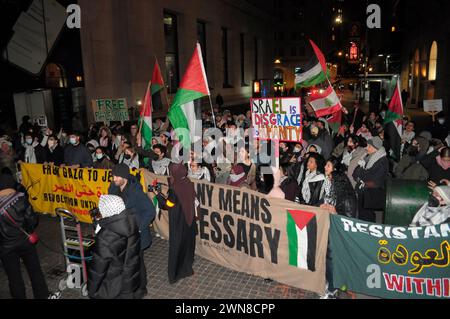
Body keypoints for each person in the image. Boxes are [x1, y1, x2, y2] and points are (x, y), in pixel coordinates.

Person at [0, 173, 60, 299]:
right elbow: (32, 220)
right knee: (35, 271)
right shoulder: (20, 199)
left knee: (14, 277)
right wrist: (28, 228)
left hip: (5, 247)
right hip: (25, 241)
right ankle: (42, 296)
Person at [87, 195, 146, 299]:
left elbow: (98, 268)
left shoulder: (105, 236)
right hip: (131, 282)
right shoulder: (132, 223)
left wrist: (92, 291)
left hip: (113, 287)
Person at [153, 163, 197, 284]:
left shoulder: (175, 188)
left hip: (179, 222)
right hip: (189, 222)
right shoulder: (187, 182)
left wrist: (158, 195)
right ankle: (187, 269)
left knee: (177, 247)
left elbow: (169, 205)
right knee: (187, 247)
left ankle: (175, 274)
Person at [108, 164, 155, 251]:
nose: (114, 179)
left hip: (135, 237)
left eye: (117, 176)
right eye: (113, 176)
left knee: (136, 262)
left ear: (124, 177)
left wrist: (138, 229)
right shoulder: (113, 188)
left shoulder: (136, 191)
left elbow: (150, 211)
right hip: (121, 234)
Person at [353, 137, 389, 222]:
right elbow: (356, 172)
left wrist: (363, 181)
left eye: (369, 146)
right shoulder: (366, 157)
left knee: (367, 216)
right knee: (362, 214)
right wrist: (359, 177)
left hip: (371, 193)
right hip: (363, 191)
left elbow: (377, 180)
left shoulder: (382, 161)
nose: (366, 148)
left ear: (375, 148)